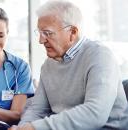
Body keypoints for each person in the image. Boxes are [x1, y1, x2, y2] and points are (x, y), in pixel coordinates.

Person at [9, 1, 128, 130]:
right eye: (40, 33)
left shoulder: (100, 56)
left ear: (72, 32)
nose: (41, 40)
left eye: (47, 33)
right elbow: (37, 109)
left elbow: (95, 114)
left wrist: (34, 128)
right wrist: (22, 127)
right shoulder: (48, 65)